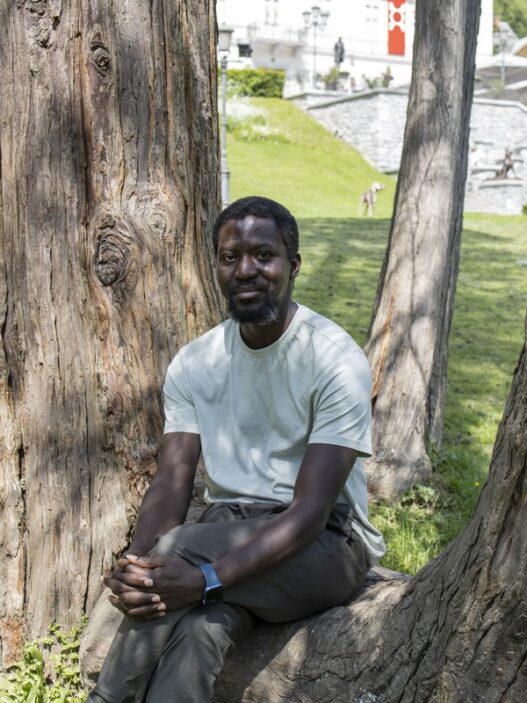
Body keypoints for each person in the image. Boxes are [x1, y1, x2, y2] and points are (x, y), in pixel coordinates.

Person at [88, 196, 385, 703]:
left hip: (327, 542)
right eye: (230, 257)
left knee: (176, 550)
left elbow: (311, 513)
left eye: (263, 255)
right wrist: (138, 564)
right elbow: (173, 480)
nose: (245, 270)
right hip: (228, 528)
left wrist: (203, 576)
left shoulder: (335, 360)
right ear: (217, 267)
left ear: (292, 265)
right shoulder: (195, 361)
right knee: (202, 630)